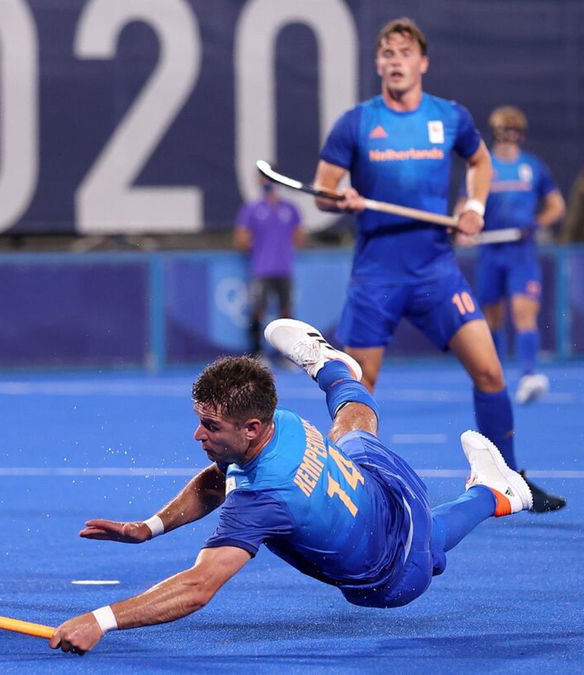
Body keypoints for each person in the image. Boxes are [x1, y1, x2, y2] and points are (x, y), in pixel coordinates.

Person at [49, 318, 533, 655]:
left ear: (252, 428)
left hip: (391, 577)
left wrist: (101, 620)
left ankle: (492, 495)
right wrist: (149, 527)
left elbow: (197, 588)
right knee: (353, 426)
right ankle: (332, 367)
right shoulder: (284, 422)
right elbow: (220, 481)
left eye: (210, 426)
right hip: (389, 487)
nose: (198, 435)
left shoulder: (262, 500)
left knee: (422, 538)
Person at [310, 18, 564, 512]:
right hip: (376, 276)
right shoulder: (356, 122)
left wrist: (474, 207)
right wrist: (341, 199)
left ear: (422, 63)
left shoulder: (449, 117)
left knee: (490, 373)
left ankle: (509, 479)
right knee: (357, 387)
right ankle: (346, 489)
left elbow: (480, 162)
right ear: (378, 64)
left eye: (404, 52)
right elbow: (323, 189)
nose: (394, 60)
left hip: (435, 271)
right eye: (386, 53)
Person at [459, 106, 563, 404]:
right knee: (492, 320)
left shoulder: (533, 167)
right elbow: (465, 206)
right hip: (490, 252)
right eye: (504, 131)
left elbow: (556, 206)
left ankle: (529, 375)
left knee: (524, 314)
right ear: (495, 133)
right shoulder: (482, 167)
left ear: (521, 135)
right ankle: (496, 378)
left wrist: (537, 223)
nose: (509, 138)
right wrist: (464, 227)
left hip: (522, 254)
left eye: (515, 132)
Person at [234, 166, 304, 355]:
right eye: (263, 178)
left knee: (286, 313)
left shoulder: (290, 209)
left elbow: (298, 237)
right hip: (262, 269)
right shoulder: (252, 209)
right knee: (258, 310)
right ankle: (256, 353)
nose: (266, 182)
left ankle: (289, 355)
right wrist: (261, 247)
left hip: (284, 268)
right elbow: (241, 239)